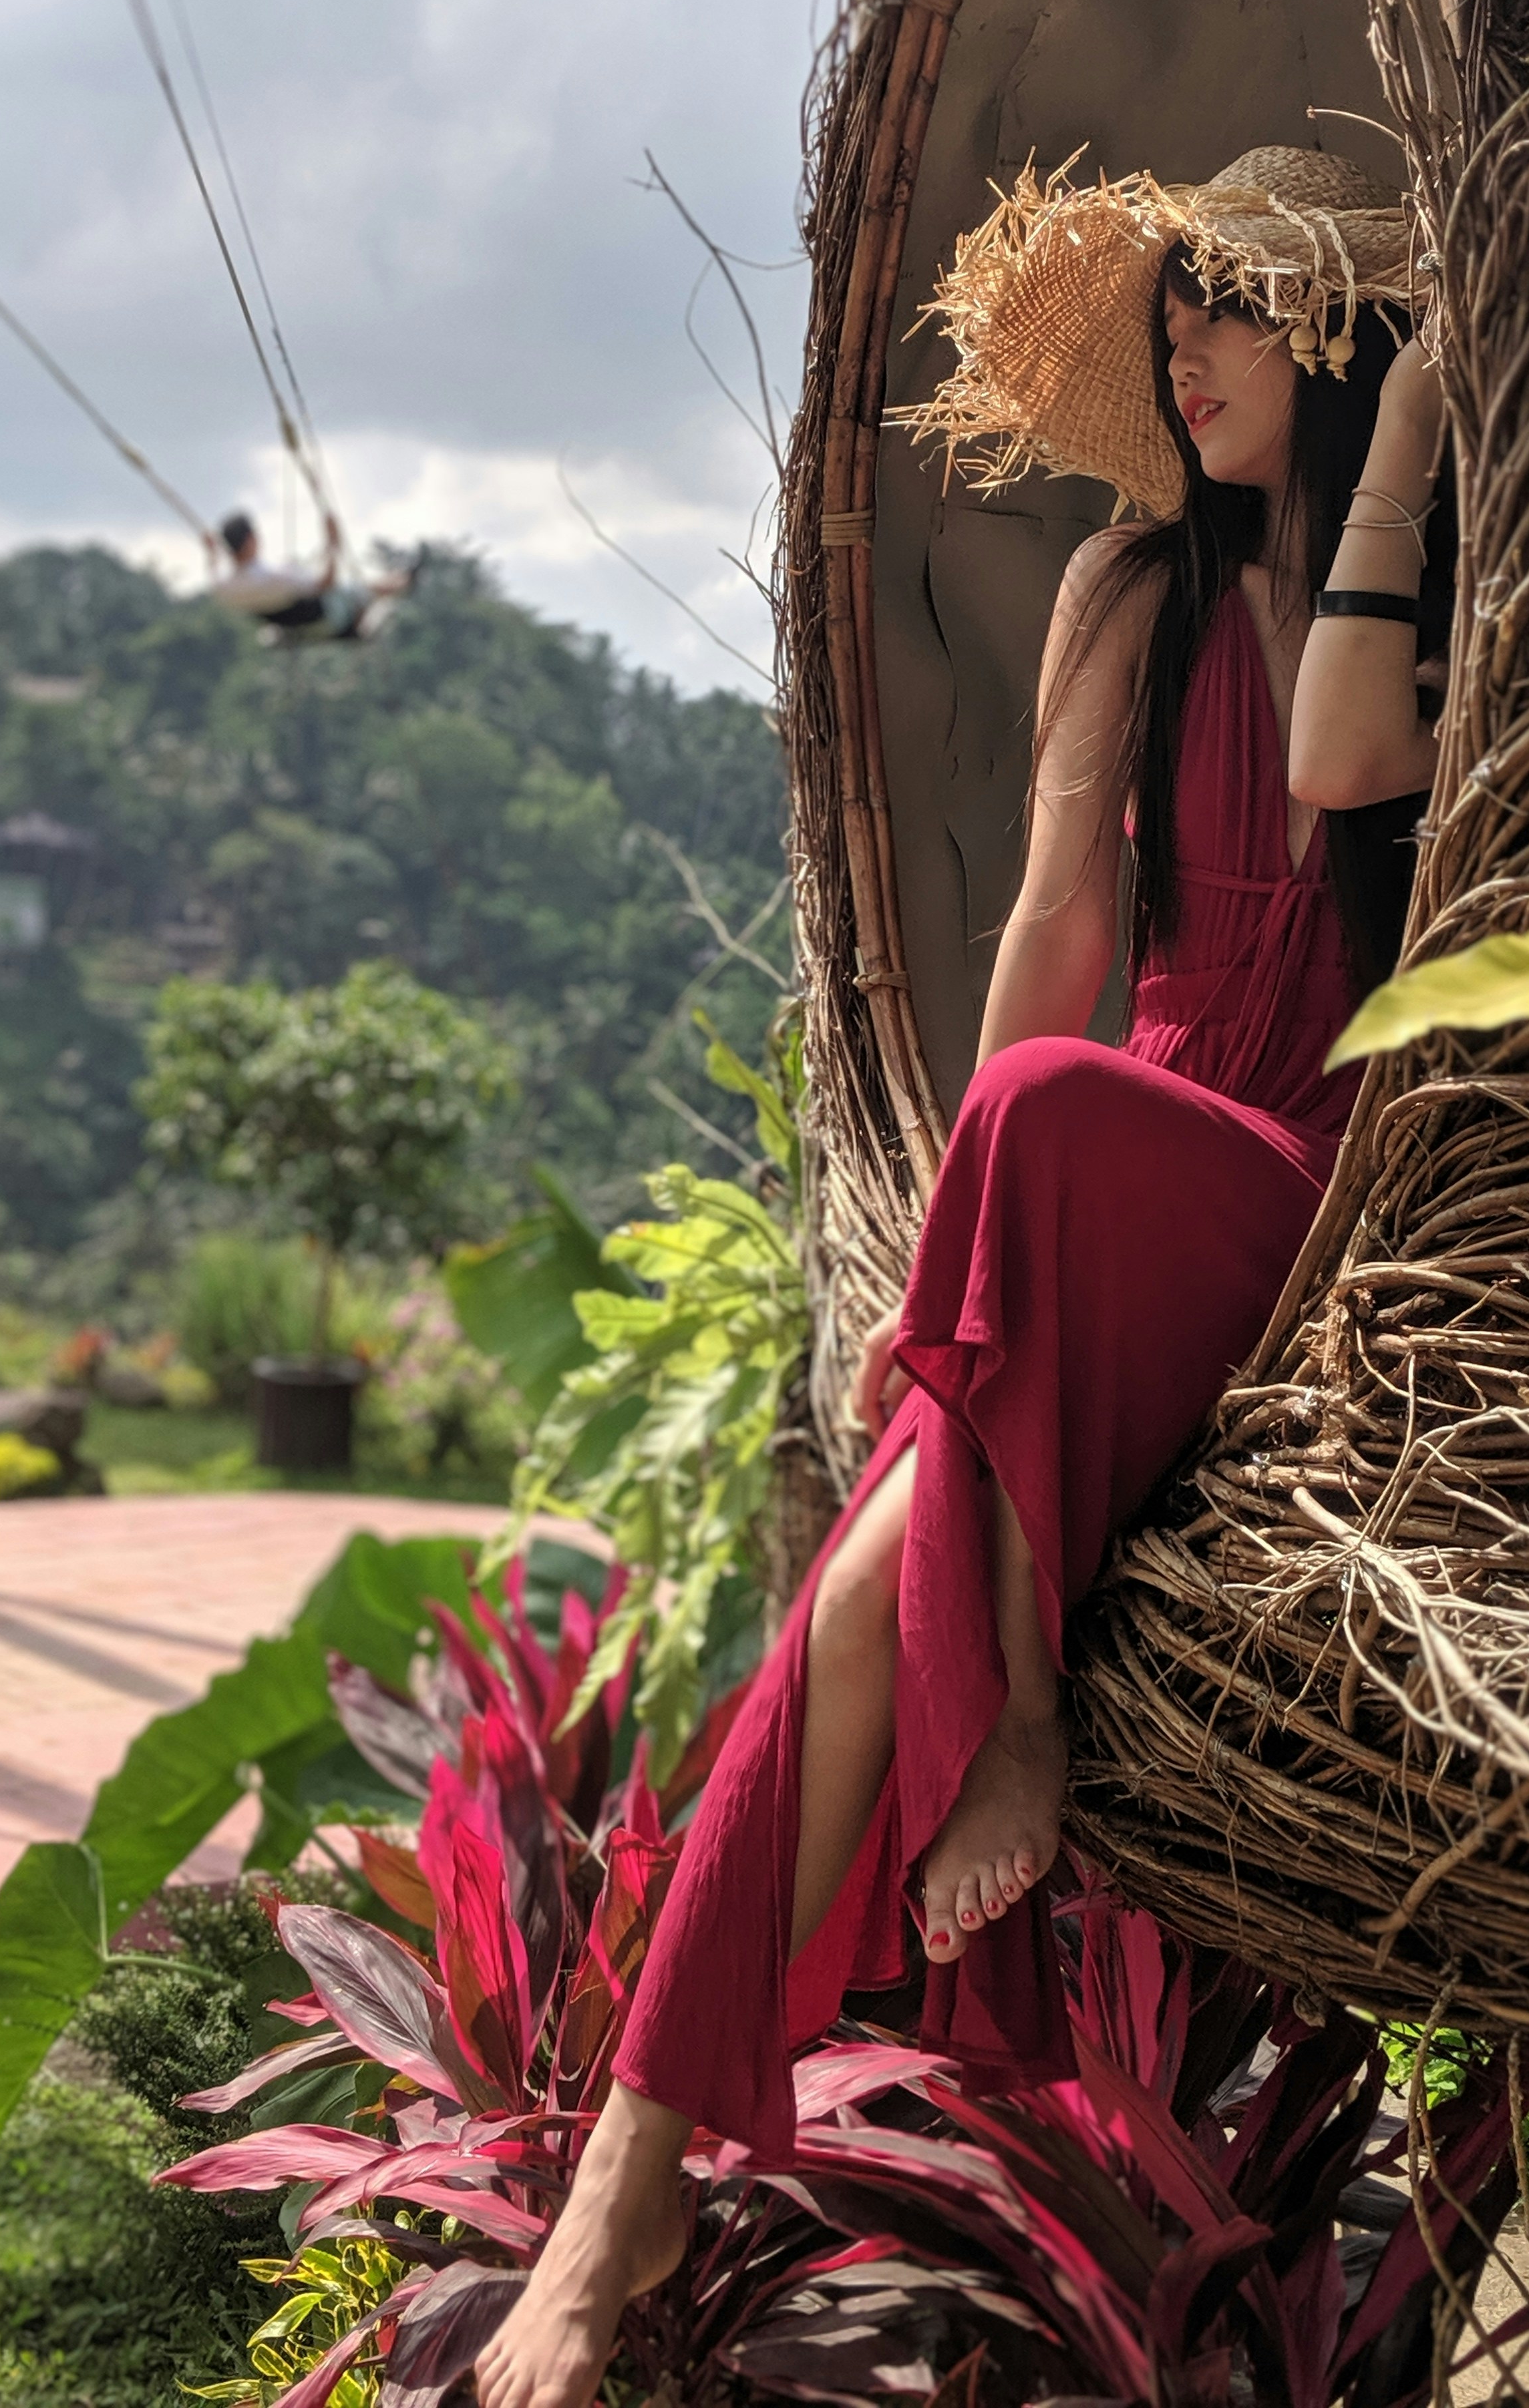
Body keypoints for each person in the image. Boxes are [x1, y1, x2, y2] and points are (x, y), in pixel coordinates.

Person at [474, 148, 1454, 2408]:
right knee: (852, 1579)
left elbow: (1341, 761)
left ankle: (1014, 1718)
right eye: (1170, 311)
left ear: (1336, 328)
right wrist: (949, 1298)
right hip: (1098, 1161)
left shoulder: (1435, 598)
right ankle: (625, 2195)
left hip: (1314, 1187)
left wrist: (1403, 444)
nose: (1180, 348)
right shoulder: (1128, 587)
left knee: (1044, 1122)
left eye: (1227, 305)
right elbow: (1058, 932)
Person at [206, 509, 419, 642]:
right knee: (361, 587)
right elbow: (327, 582)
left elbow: (214, 572)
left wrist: (211, 553)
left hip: (293, 628)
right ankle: (406, 581)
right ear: (251, 540)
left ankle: (401, 582)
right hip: (331, 618)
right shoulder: (275, 577)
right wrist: (333, 544)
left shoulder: (223, 588)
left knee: (351, 587)